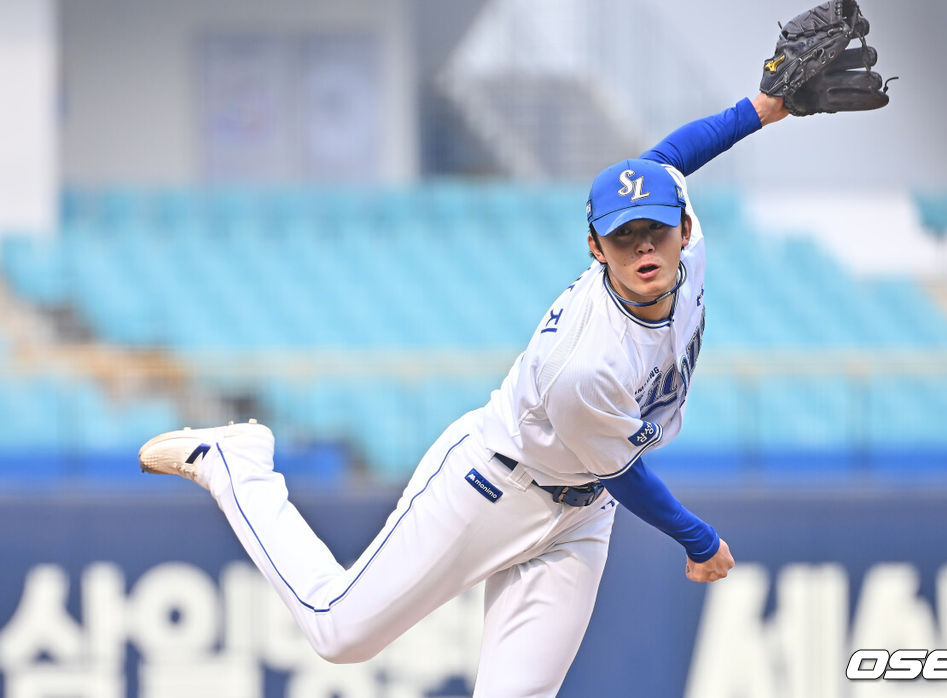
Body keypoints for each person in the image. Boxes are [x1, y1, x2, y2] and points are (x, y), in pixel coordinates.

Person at [139, 92, 789, 696]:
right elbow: (623, 473)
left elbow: (663, 162)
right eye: (624, 236)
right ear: (595, 248)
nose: (644, 245)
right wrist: (699, 540)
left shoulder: (686, 242)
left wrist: (761, 109)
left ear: (681, 226)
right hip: (492, 487)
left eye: (655, 228)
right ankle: (238, 466)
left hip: (580, 515)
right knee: (339, 631)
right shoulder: (585, 363)